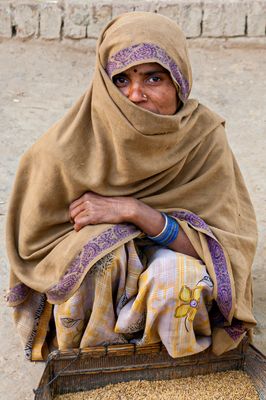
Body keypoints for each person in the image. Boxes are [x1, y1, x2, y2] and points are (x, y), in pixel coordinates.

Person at [6, 12, 257, 362]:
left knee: (179, 280)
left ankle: (169, 361)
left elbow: (221, 251)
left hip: (172, 257)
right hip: (104, 290)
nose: (135, 94)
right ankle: (95, 362)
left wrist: (135, 211)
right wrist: (111, 239)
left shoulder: (203, 139)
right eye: (120, 80)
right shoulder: (64, 150)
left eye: (153, 78)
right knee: (98, 257)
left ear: (179, 82)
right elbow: (37, 247)